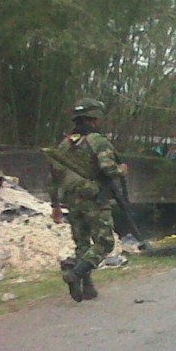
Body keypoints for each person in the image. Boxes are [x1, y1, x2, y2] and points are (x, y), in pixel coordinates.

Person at [45, 98, 126, 302]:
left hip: (71, 200)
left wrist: (55, 205)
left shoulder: (64, 144)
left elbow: (53, 177)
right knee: (105, 242)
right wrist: (121, 171)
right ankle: (76, 275)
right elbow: (108, 168)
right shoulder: (97, 141)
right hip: (94, 198)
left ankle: (87, 287)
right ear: (95, 118)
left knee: (82, 243)